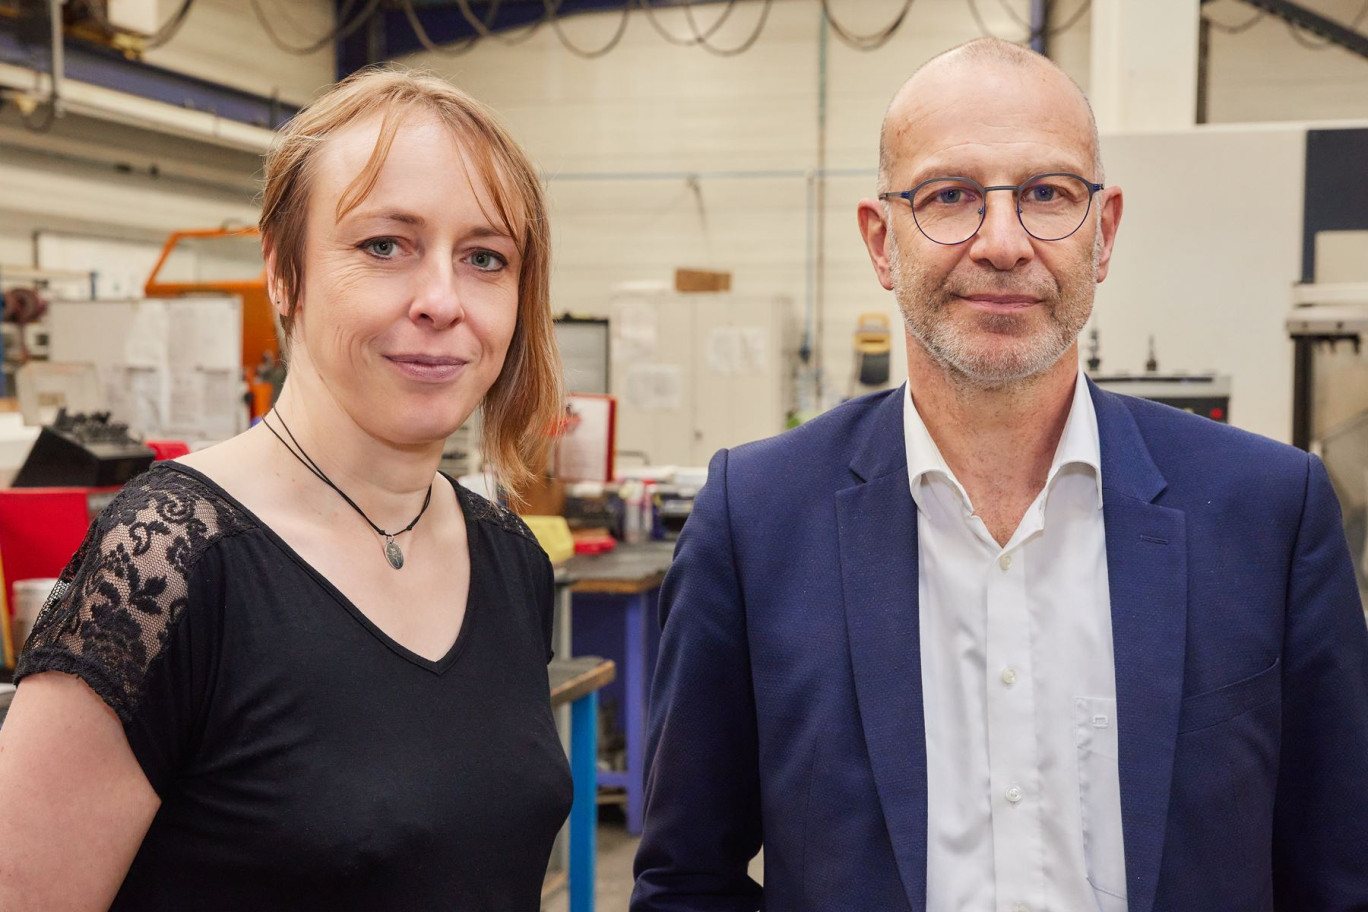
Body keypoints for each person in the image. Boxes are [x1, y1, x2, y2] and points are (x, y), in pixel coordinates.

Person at [632, 38, 1368, 912]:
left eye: (1047, 194)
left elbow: (1339, 877)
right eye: (951, 197)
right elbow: (687, 881)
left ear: (1105, 234)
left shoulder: (1266, 514)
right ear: (880, 241)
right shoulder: (755, 522)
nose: (1003, 242)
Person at [0, 68, 570, 910]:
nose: (443, 300)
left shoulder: (509, 556)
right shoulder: (170, 561)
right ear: (281, 271)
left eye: (485, 258)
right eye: (385, 245)